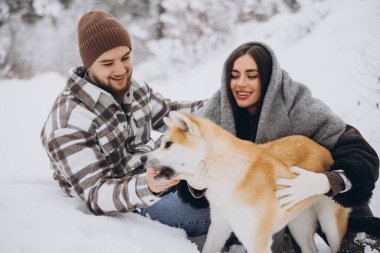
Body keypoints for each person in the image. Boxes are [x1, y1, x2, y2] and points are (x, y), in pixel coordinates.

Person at [195, 41, 379, 252]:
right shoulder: (214, 114)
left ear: (268, 78)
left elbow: (360, 153)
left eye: (251, 76)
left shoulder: (297, 105)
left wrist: (325, 182)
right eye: (234, 75)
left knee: (354, 231)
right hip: (263, 213)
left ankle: (361, 240)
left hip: (321, 195)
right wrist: (194, 183)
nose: (240, 83)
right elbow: (183, 157)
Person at [40, 10, 210, 237]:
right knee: (226, 213)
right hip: (123, 207)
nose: (120, 70)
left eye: (125, 57)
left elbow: (170, 113)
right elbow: (96, 194)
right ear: (89, 64)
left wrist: (224, 102)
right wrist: (148, 185)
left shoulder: (134, 88)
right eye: (108, 63)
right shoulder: (67, 122)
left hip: (157, 176)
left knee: (237, 189)